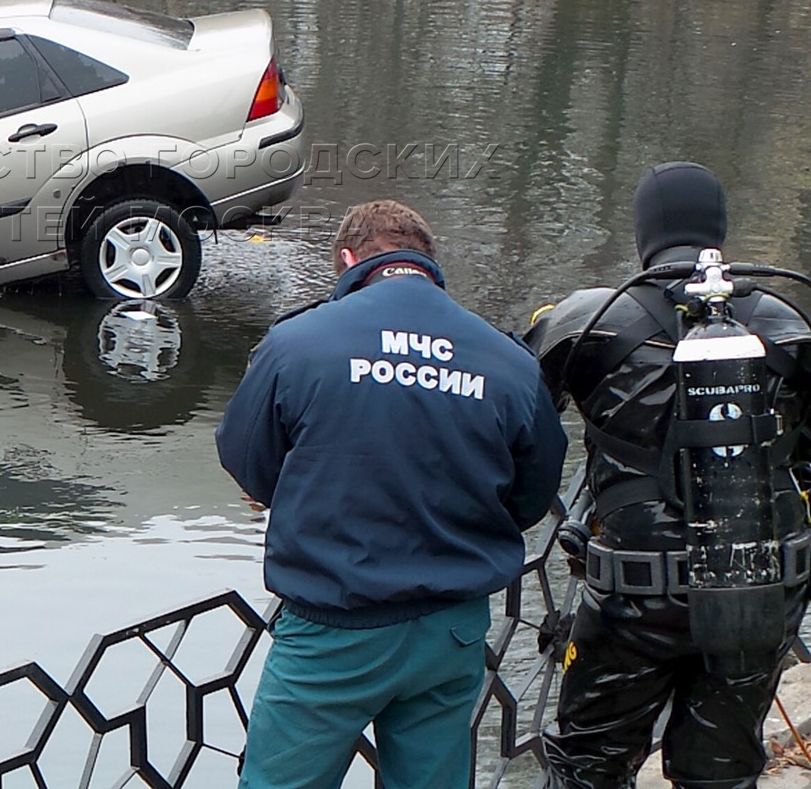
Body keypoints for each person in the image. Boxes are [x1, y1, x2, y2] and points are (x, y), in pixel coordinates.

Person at [218, 200, 567, 789]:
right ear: (429, 263)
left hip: (334, 627)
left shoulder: (296, 343)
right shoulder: (506, 361)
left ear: (349, 261)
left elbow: (247, 460)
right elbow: (533, 494)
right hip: (450, 629)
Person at [526, 163, 811, 789]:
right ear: (719, 232)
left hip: (634, 595)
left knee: (588, 767)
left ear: (644, 234)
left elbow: (516, 422)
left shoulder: (584, 321)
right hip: (760, 587)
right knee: (721, 773)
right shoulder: (789, 325)